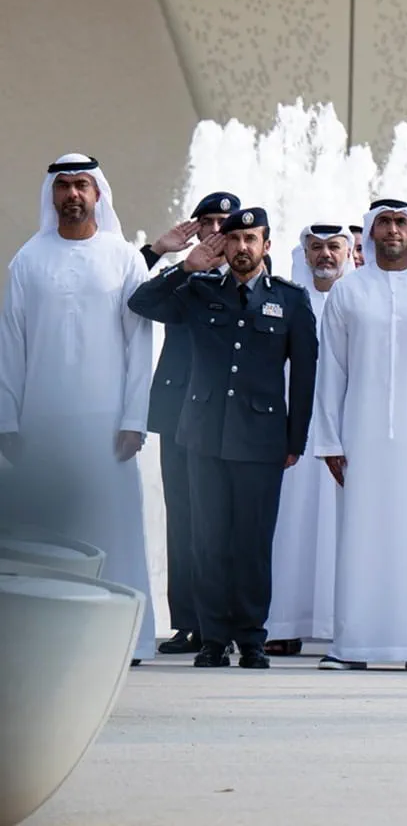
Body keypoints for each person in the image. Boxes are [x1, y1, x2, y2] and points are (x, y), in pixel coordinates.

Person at [127, 205, 318, 669]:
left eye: (251, 239)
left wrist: (295, 441)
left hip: (262, 440)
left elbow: (306, 375)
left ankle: (251, 638)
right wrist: (184, 267)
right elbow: (140, 303)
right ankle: (213, 639)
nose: (241, 247)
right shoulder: (198, 289)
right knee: (208, 541)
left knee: (251, 543)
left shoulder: (289, 300)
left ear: (266, 246)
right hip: (203, 435)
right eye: (233, 240)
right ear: (223, 246)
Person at [1, 155, 158, 663]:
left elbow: (140, 346)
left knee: (115, 529)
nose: (72, 194)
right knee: (53, 534)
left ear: (97, 194)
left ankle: (124, 641)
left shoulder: (124, 258)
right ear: (52, 194)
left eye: (82, 186)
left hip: (108, 426)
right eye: (64, 185)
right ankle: (52, 639)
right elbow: (11, 346)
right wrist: (7, 421)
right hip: (42, 425)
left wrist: (135, 419)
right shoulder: (28, 259)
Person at [311, 200, 407, 672]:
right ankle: (356, 645)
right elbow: (332, 371)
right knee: (363, 535)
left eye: (402, 222)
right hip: (361, 436)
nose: (393, 230)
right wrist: (330, 441)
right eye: (385, 222)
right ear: (371, 231)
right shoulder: (348, 291)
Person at [139, 188, 240, 655]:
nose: (217, 234)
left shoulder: (255, 277)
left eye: (227, 226)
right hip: (181, 413)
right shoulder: (181, 279)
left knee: (233, 520)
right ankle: (189, 622)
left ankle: (234, 619)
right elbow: (138, 303)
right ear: (195, 228)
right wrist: (175, 259)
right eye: (208, 224)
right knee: (184, 518)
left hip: (235, 418)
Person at [262, 222, 353, 656]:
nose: (325, 256)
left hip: (349, 430)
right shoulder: (285, 300)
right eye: (316, 248)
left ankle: (346, 624)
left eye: (333, 247)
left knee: (344, 527)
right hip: (294, 431)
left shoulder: (358, 300)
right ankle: (284, 624)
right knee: (292, 526)